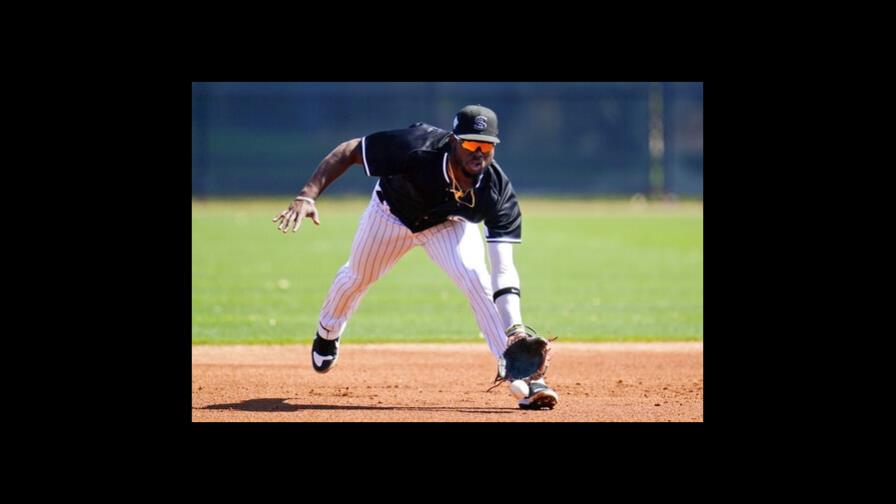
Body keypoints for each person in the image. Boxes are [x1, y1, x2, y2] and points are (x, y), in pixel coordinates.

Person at [272, 105, 558, 409]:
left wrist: (515, 329)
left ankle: (527, 379)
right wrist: (307, 195)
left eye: (486, 145)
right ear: (453, 141)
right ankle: (328, 330)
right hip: (391, 214)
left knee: (478, 282)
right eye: (471, 143)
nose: (479, 152)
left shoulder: (497, 193)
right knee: (357, 276)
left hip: (447, 224)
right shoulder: (415, 146)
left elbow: (503, 269)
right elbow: (349, 151)